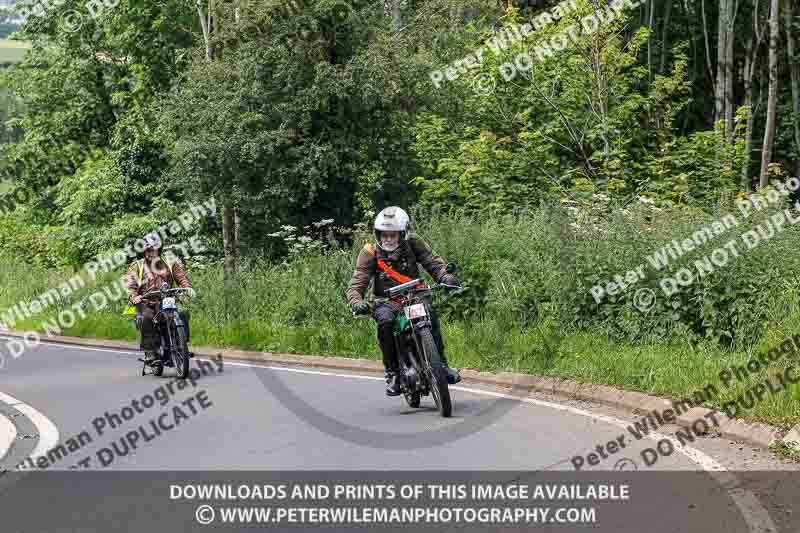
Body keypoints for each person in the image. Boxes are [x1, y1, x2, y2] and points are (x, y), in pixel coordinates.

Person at [346, 206, 461, 396]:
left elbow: (433, 263)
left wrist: (445, 277)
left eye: (393, 235)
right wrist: (356, 301)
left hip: (415, 295)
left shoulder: (414, 243)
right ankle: (393, 373)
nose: (388, 239)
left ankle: (441, 365)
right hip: (386, 301)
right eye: (384, 235)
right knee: (385, 322)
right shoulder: (370, 252)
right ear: (378, 234)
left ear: (403, 233)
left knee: (429, 314)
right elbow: (358, 281)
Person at [126, 235, 195, 364]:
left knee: (182, 312)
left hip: (167, 299)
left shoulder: (170, 263)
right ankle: (150, 351)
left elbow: (182, 278)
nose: (151, 253)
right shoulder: (137, 266)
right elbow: (131, 286)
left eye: (154, 249)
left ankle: (181, 345)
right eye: (148, 250)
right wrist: (134, 297)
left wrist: (187, 288)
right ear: (144, 251)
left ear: (159, 249)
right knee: (147, 317)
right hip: (146, 302)